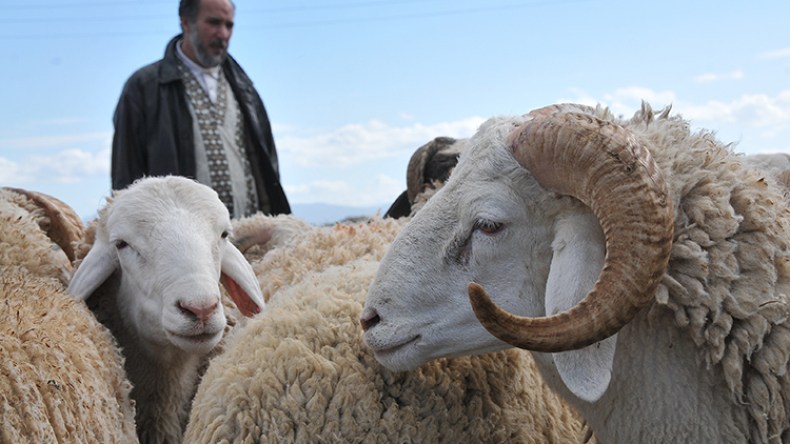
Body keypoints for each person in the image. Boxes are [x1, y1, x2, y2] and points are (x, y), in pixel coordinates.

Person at [111, 0, 290, 218]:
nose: (222, 33)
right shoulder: (144, 88)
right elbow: (126, 177)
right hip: (178, 244)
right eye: (214, 23)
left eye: (229, 25)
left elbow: (268, 166)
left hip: (247, 238)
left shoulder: (245, 89)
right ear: (186, 22)